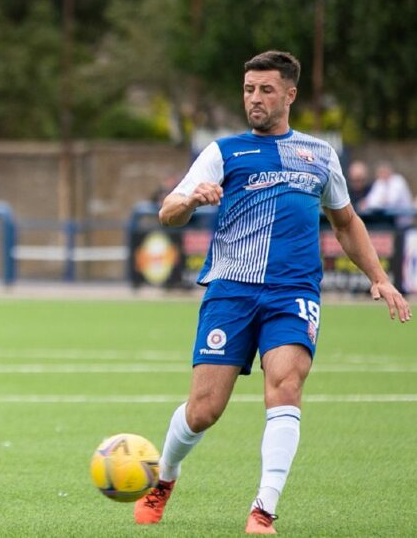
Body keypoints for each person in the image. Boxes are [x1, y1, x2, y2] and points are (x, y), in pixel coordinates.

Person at [135, 51, 411, 534]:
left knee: (285, 386)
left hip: (293, 292)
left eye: (265, 89)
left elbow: (345, 222)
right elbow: (168, 211)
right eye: (248, 90)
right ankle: (166, 477)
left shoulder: (320, 156)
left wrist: (379, 276)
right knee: (204, 410)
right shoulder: (224, 152)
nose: (255, 99)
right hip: (231, 291)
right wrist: (192, 199)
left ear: (290, 94)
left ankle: (263, 509)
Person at [362, 161, 413, 227]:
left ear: (388, 172)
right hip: (389, 221)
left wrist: (379, 202)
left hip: (403, 221)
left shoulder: (398, 181)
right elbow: (370, 200)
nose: (380, 175)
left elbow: (391, 202)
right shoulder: (380, 182)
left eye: (383, 172)